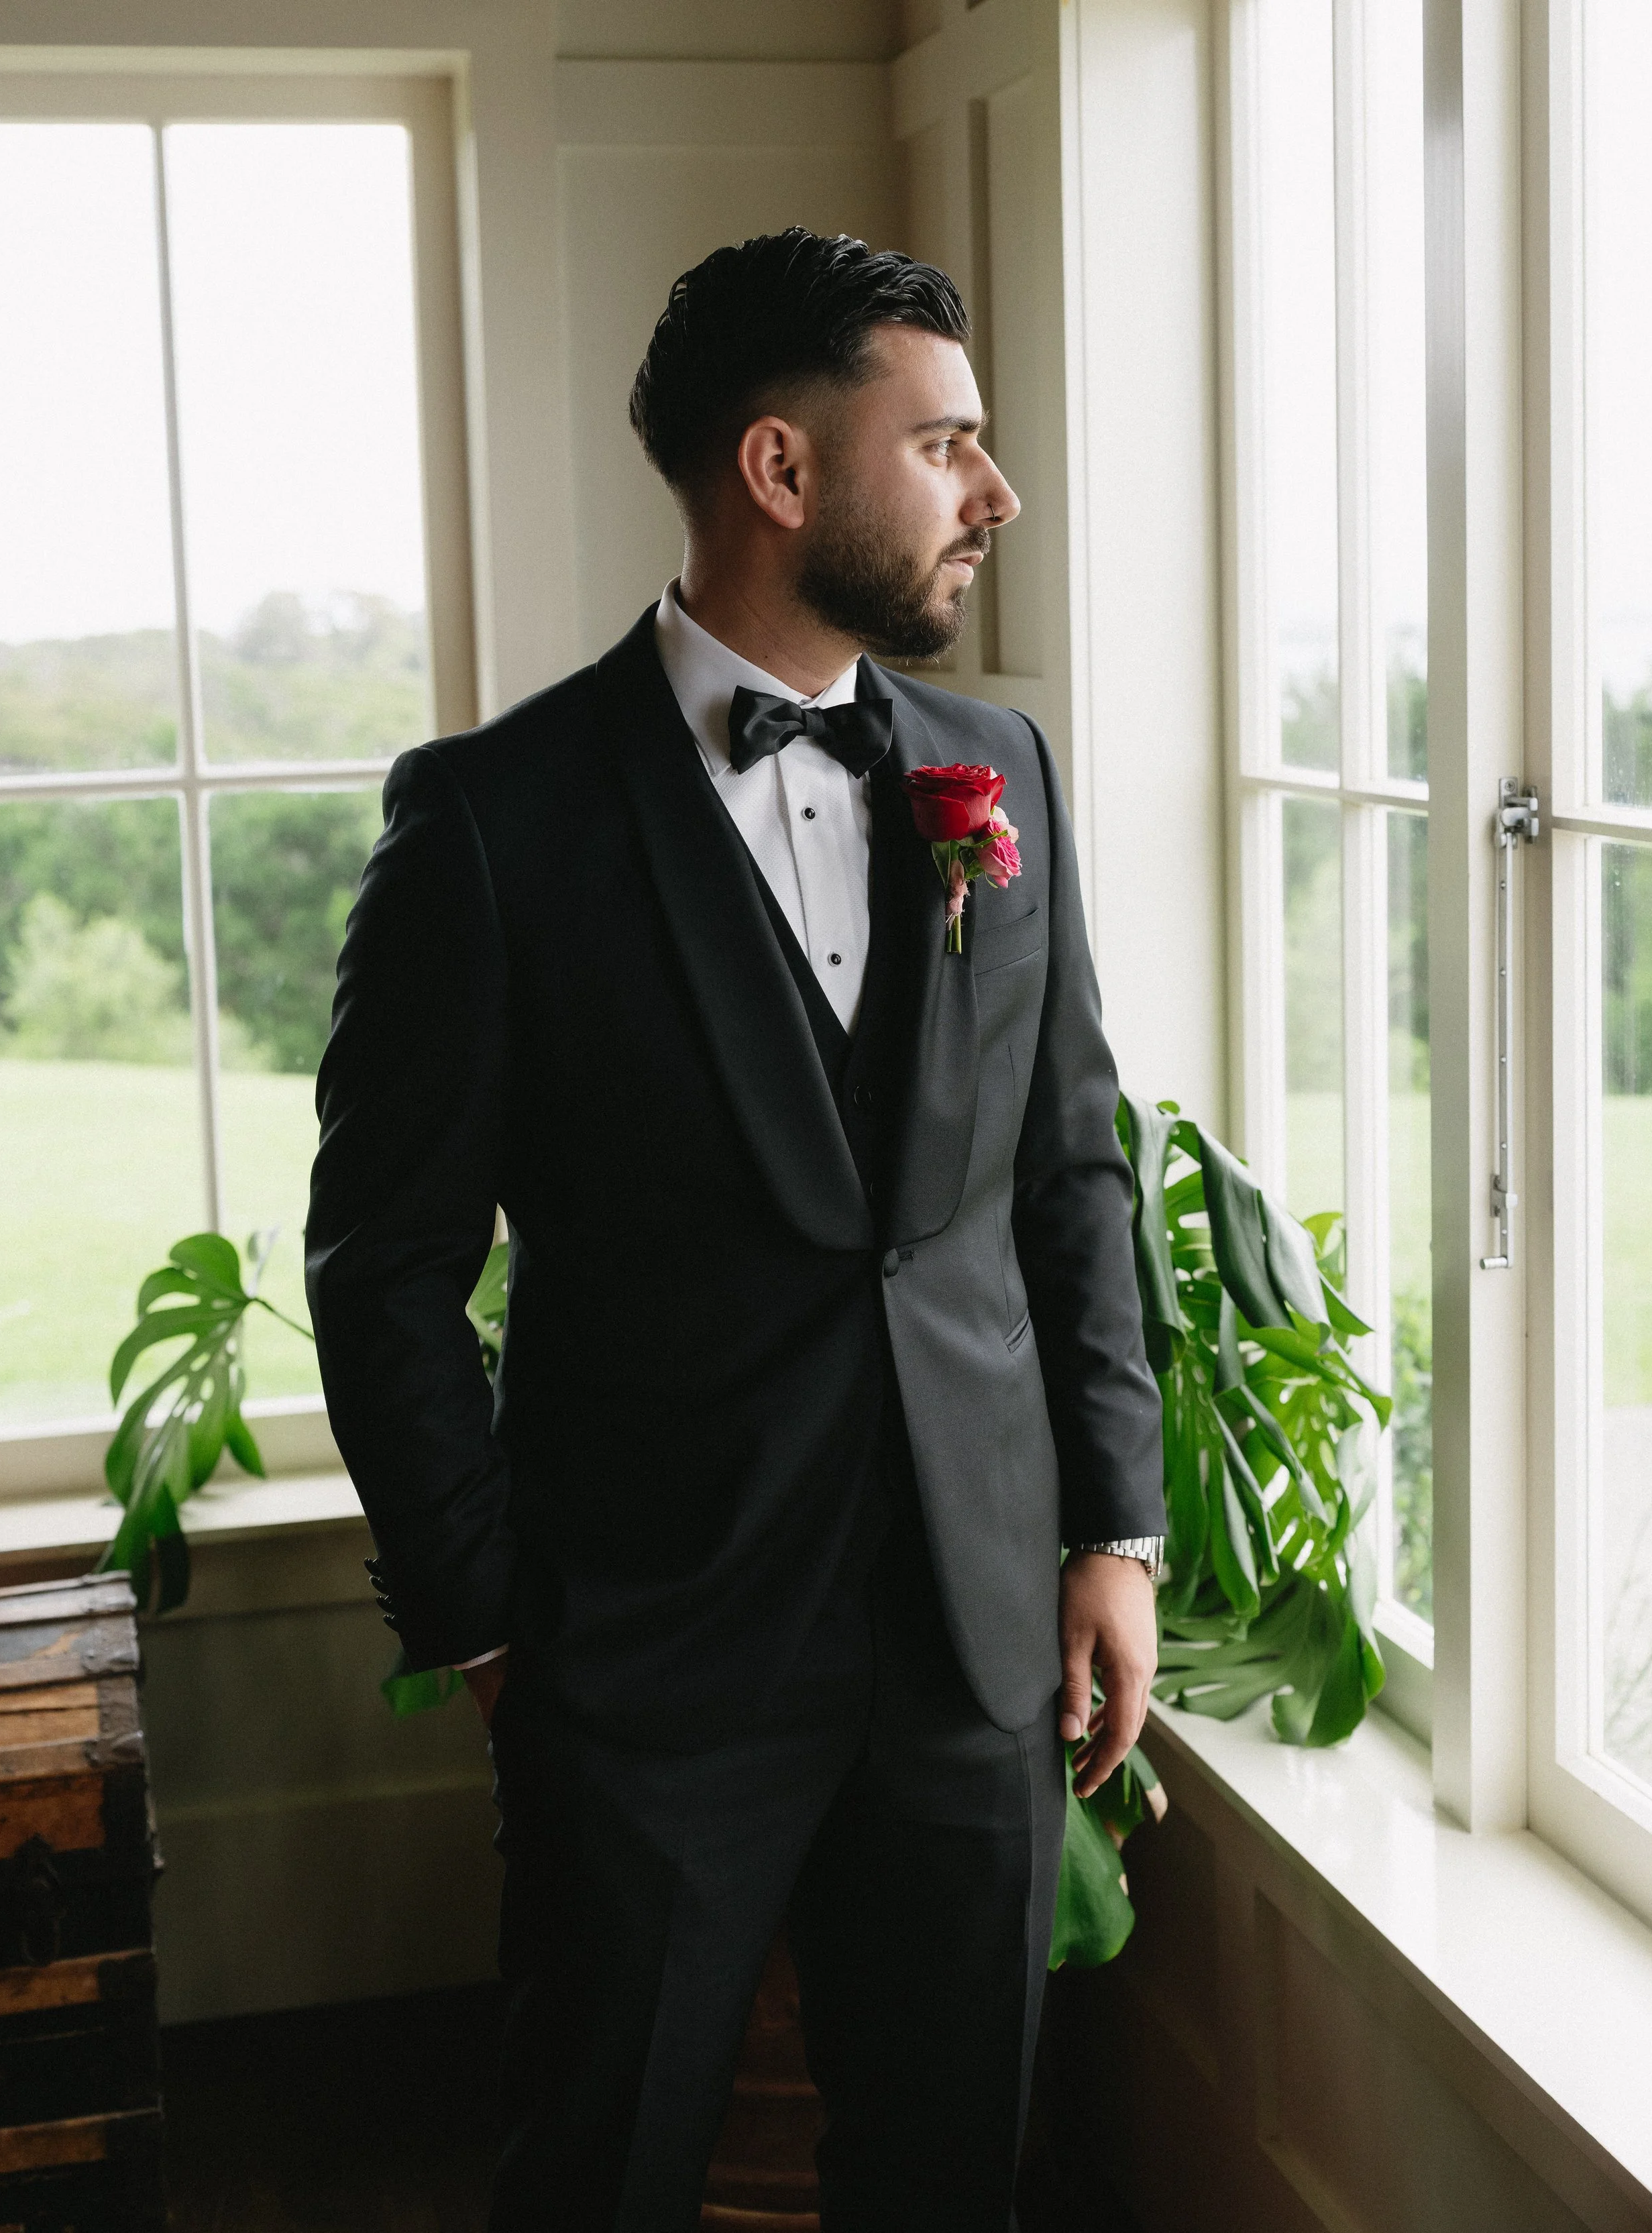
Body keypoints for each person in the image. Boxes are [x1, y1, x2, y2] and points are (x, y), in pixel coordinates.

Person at [305, 227, 1166, 2233]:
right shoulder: (491, 824)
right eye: (943, 444)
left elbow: (1067, 1171)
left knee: (944, 2176)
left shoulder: (993, 768)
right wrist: (495, 1628)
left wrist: (1109, 1531)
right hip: (645, 1670)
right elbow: (383, 1261)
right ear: (780, 473)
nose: (994, 492)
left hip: (968, 1654)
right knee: (595, 2176)